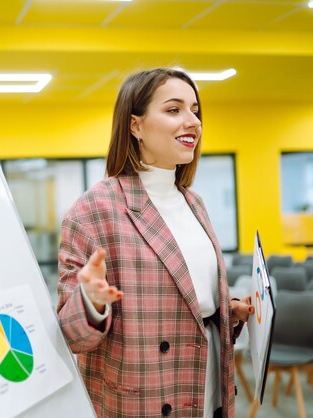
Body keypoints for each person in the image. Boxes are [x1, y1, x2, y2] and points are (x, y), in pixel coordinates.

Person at [56, 68, 253, 418]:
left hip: (205, 383)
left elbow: (187, 296)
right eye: (174, 109)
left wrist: (226, 309)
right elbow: (71, 336)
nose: (192, 121)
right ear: (135, 126)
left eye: (195, 110)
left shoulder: (194, 202)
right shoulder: (95, 208)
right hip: (145, 393)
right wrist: (90, 301)